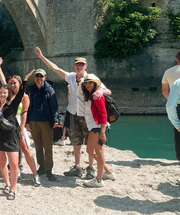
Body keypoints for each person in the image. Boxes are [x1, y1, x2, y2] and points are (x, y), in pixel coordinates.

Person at [34, 46, 111, 179]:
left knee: (89, 143)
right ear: (74, 66)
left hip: (88, 116)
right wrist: (41, 57)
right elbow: (55, 68)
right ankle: (77, 166)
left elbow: (108, 91)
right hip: (73, 114)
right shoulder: (70, 77)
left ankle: (91, 168)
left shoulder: (91, 79)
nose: (79, 66)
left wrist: (100, 91)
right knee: (75, 141)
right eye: (77, 64)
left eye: (81, 64)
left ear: (85, 66)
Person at [0, 80, 26, 200]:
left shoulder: (12, 106)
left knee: (14, 164)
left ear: (8, 94)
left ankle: (13, 189)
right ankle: (7, 183)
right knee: (2, 163)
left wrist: (24, 81)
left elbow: (20, 94)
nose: (3, 95)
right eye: (1, 92)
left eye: (5, 93)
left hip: (11, 138)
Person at [81, 74, 116, 187]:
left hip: (98, 127)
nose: (87, 85)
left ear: (95, 84)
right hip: (93, 127)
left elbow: (103, 113)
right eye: (85, 83)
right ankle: (108, 172)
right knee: (90, 151)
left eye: (90, 82)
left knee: (99, 152)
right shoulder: (92, 95)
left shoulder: (97, 96)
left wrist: (102, 132)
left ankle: (99, 180)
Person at [25, 69, 60, 181]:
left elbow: (54, 106)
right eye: (37, 76)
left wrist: (55, 120)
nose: (39, 78)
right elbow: (26, 105)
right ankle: (42, 167)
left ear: (45, 77)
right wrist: (27, 122)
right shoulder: (30, 89)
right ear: (34, 78)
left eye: (41, 76)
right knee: (38, 146)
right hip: (33, 122)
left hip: (46, 122)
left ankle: (49, 170)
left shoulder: (49, 89)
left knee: (48, 147)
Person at [162, 49, 180, 163]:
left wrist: (173, 101)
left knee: (179, 131)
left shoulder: (168, 72)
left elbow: (165, 91)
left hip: (177, 105)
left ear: (176, 58)